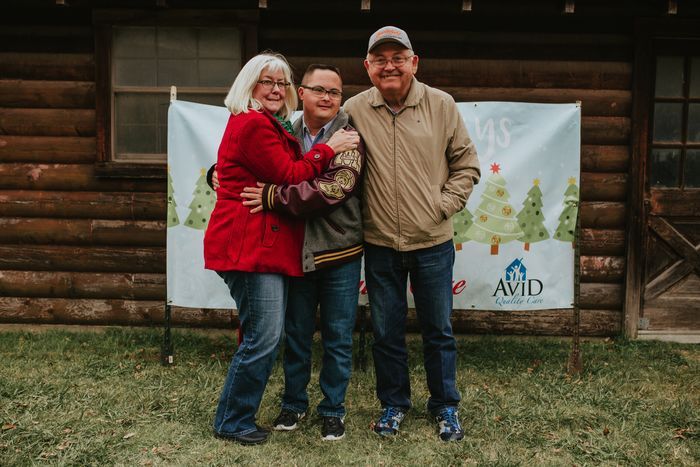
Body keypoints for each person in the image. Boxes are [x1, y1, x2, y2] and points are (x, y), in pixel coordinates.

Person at [204, 53, 359, 445]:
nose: (276, 89)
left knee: (289, 336)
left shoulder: (329, 132)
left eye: (280, 83)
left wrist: (270, 193)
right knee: (267, 337)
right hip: (252, 247)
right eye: (266, 82)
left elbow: (326, 189)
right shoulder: (260, 124)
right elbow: (289, 173)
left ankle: (325, 411)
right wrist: (325, 152)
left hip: (320, 250)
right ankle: (235, 419)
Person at [343, 26, 481, 442]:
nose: (389, 65)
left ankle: (445, 407)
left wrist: (440, 207)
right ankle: (393, 405)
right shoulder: (352, 110)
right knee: (386, 332)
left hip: (433, 245)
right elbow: (319, 152)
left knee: (438, 330)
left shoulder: (441, 105)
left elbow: (467, 165)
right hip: (380, 243)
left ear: (413, 62)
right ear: (367, 67)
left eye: (397, 58)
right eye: (380, 59)